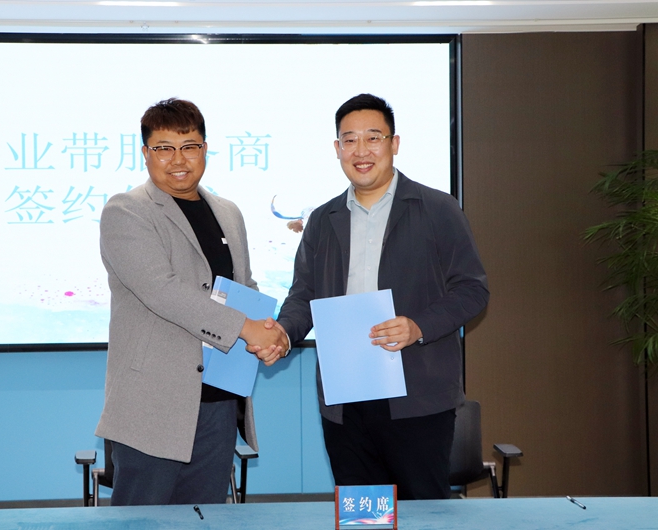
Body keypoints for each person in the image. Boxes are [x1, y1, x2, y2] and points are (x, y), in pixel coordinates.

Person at [264, 93, 489, 500]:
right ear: (337, 149)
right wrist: (284, 332)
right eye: (349, 140)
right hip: (345, 399)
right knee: (363, 514)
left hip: (418, 396)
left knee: (423, 514)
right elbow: (304, 295)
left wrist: (418, 326)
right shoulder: (323, 219)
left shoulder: (438, 208)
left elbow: (473, 289)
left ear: (394, 143)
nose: (361, 151)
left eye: (373, 138)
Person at [96, 98, 288, 506]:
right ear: (145, 153)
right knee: (141, 522)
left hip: (218, 402)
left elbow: (244, 288)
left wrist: (271, 335)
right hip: (153, 405)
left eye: (189, 146)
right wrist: (246, 328)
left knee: (206, 519)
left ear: (205, 149)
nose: (178, 159)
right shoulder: (127, 211)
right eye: (164, 148)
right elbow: (162, 291)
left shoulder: (228, 212)